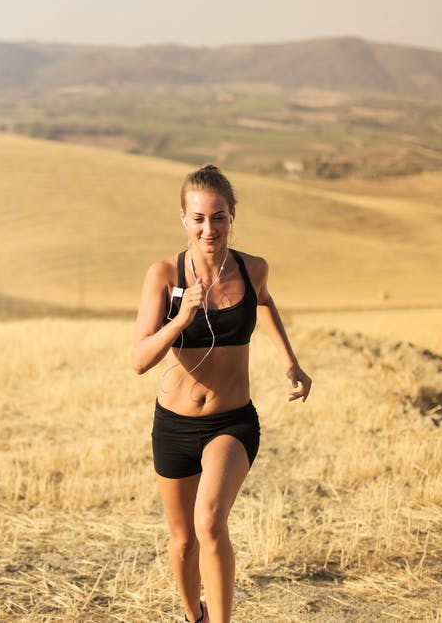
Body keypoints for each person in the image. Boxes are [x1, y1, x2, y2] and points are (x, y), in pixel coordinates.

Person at [132, 165, 312, 623]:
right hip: (172, 425)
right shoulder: (163, 275)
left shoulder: (253, 269)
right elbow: (138, 360)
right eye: (198, 218)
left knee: (209, 522)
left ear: (233, 216)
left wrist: (289, 359)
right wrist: (180, 317)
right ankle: (196, 617)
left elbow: (265, 302)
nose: (208, 229)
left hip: (231, 422)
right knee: (182, 540)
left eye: (218, 218)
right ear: (183, 219)